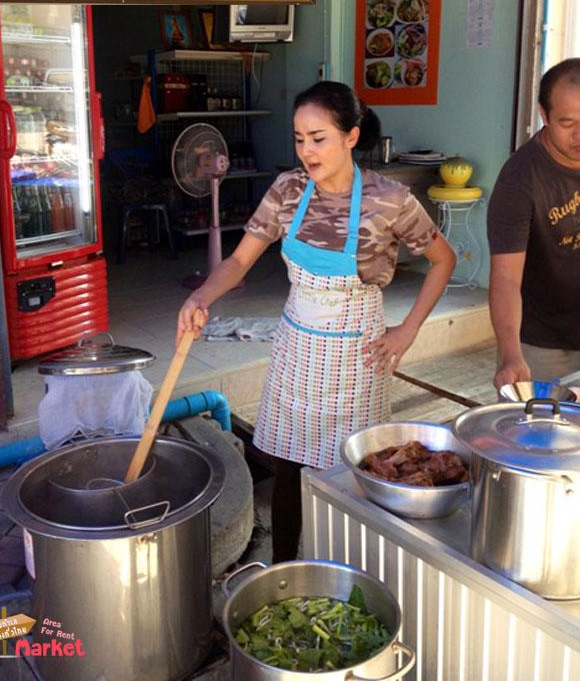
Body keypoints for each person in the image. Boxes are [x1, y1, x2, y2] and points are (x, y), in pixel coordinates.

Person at [177, 81, 456, 561]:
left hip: (357, 351)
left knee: (350, 471)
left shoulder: (389, 200)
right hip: (297, 346)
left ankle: (345, 569)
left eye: (319, 137)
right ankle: (285, 569)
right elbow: (240, 261)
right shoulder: (287, 190)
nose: (307, 150)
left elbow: (443, 259)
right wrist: (202, 295)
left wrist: (407, 330)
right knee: (286, 465)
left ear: (350, 136)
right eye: (299, 138)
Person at [488, 58, 580, 390]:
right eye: (567, 123)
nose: (579, 136)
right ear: (544, 115)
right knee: (536, 435)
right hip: (539, 343)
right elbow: (506, 277)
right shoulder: (520, 179)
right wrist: (512, 355)